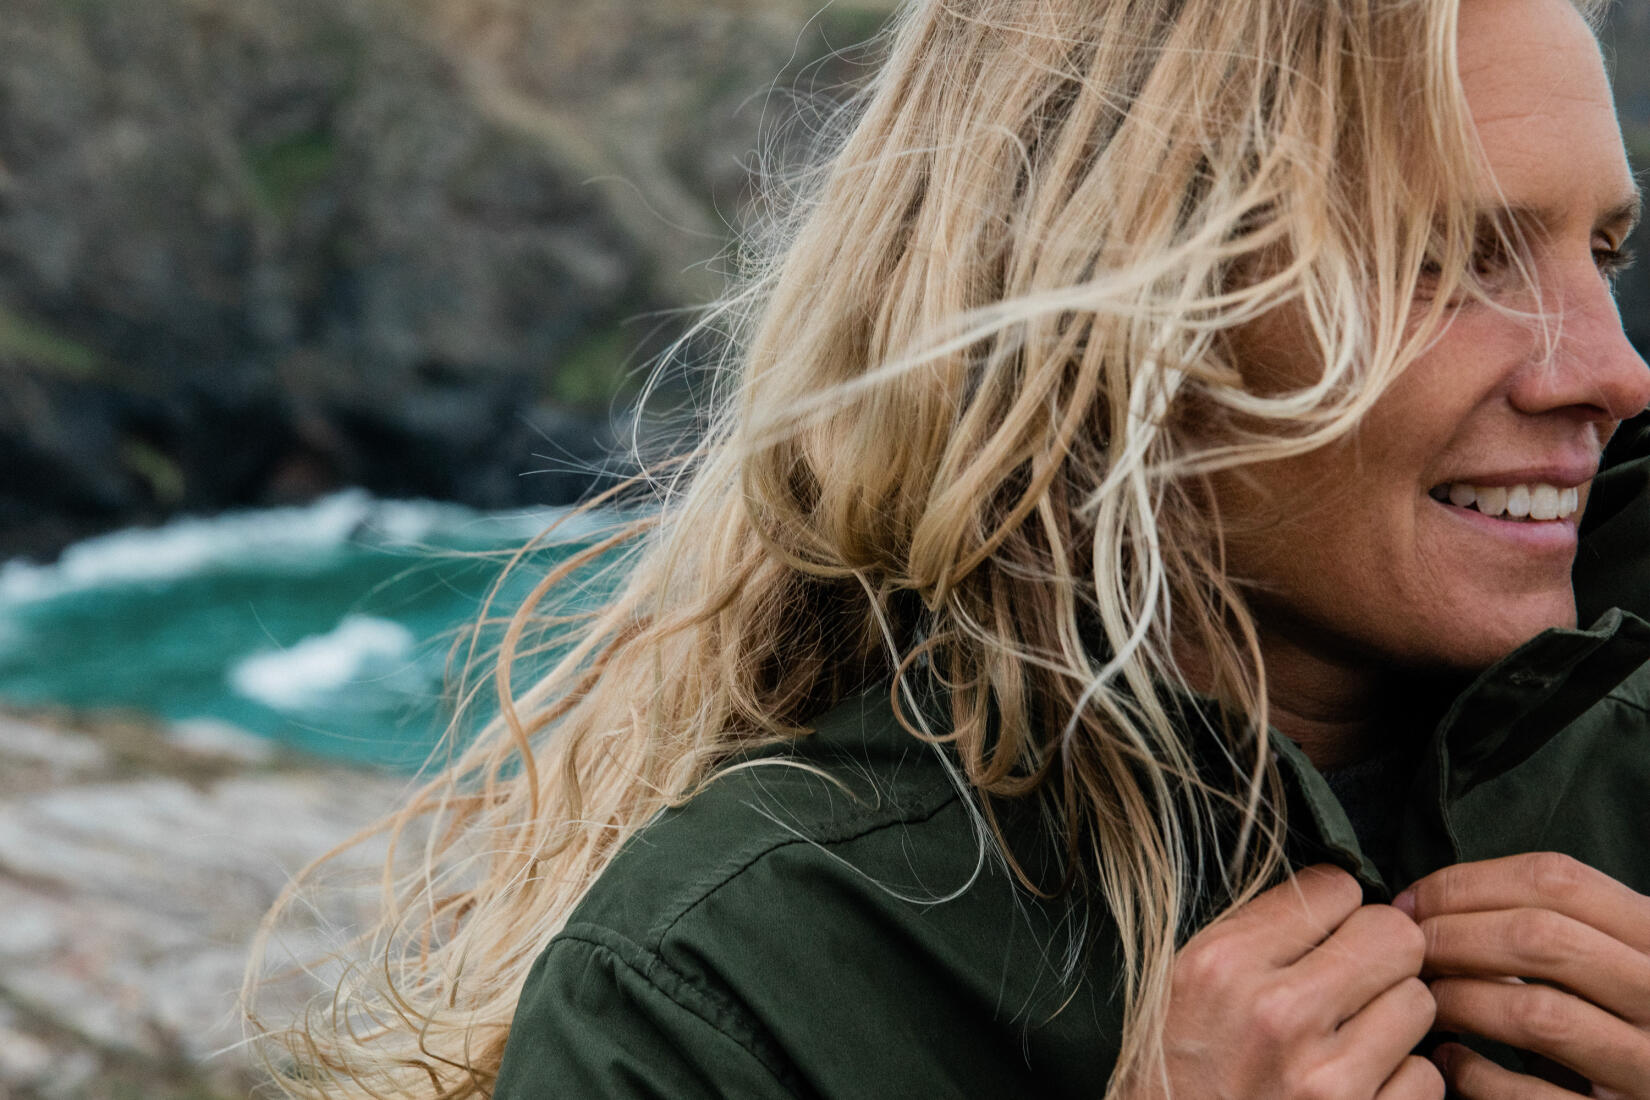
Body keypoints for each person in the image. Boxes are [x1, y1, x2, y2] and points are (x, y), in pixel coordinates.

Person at [248, 0, 1650, 1095]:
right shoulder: (714, 993)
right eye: (1443, 254)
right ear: (1116, 307)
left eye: (1601, 251)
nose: (1606, 368)